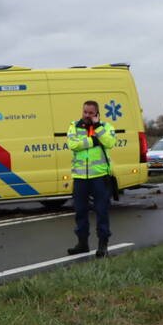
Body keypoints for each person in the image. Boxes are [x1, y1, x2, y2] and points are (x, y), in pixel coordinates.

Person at [66, 100, 117, 258]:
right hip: (80, 176)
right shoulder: (74, 126)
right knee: (80, 212)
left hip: (99, 176)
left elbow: (110, 143)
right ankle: (82, 244)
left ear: (97, 113)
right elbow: (72, 145)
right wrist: (93, 140)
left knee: (101, 212)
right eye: (85, 112)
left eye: (90, 113)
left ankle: (103, 246)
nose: (87, 115)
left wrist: (98, 128)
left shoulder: (106, 127)